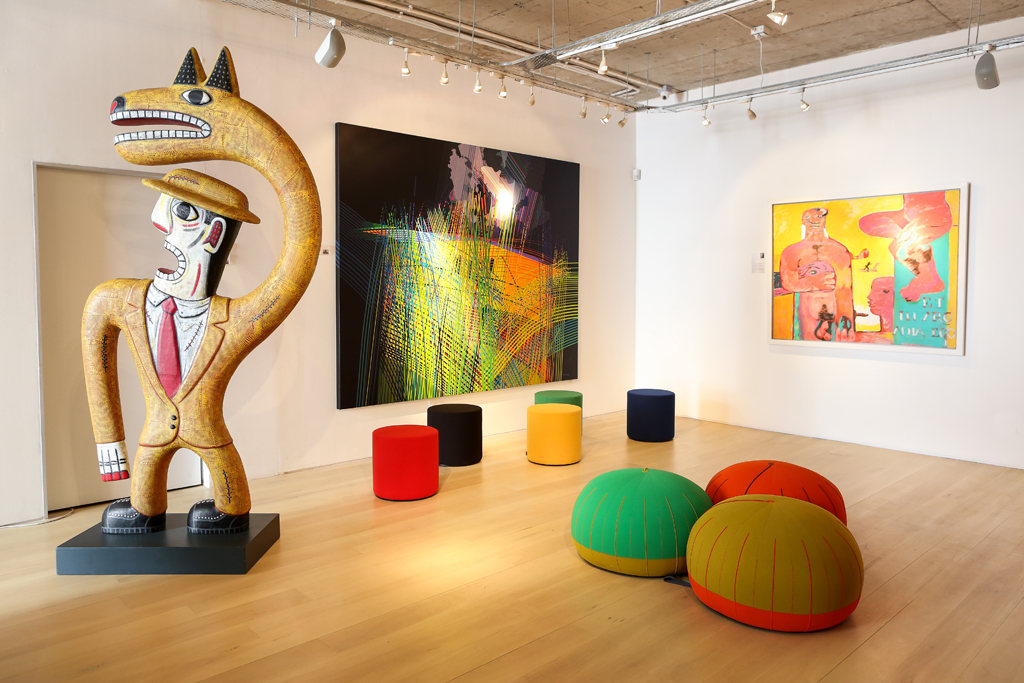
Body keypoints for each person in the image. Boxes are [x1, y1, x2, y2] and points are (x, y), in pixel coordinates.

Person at [83, 169, 261, 535]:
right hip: (154, 432)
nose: (158, 221)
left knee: (229, 501)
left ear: (214, 234)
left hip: (207, 430)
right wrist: (108, 439)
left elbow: (289, 282)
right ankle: (145, 508)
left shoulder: (230, 316)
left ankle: (229, 509)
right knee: (145, 494)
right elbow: (96, 355)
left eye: (181, 211)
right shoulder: (117, 299)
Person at [858, 192, 952, 302]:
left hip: (935, 215)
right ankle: (911, 235)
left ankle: (929, 278)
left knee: (898, 248)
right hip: (909, 216)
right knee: (867, 223)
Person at [779, 208, 855, 341]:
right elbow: (787, 282)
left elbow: (844, 288)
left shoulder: (839, 250)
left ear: (825, 219)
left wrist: (846, 321)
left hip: (833, 311)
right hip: (806, 312)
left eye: (819, 216)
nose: (814, 220)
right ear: (803, 222)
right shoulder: (792, 251)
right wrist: (812, 283)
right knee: (805, 344)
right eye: (808, 217)